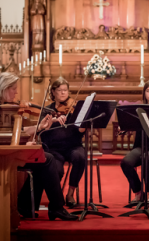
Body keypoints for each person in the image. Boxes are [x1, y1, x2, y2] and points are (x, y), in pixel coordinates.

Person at [0, 72, 78, 221]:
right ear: (4, 88)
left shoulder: (1, 106)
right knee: (47, 160)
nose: (16, 92)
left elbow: (17, 131)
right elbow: (2, 136)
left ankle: (26, 206)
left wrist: (40, 127)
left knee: (42, 158)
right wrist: (24, 143)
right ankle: (56, 208)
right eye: (13, 88)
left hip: (7, 149)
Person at [41, 78, 86, 207]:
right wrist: (52, 121)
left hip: (73, 146)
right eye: (60, 90)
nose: (63, 93)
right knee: (56, 170)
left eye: (65, 90)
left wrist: (85, 123)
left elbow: (80, 131)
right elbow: (42, 133)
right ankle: (56, 197)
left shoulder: (74, 108)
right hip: (54, 149)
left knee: (80, 156)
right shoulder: (47, 110)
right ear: (53, 92)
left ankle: (71, 193)